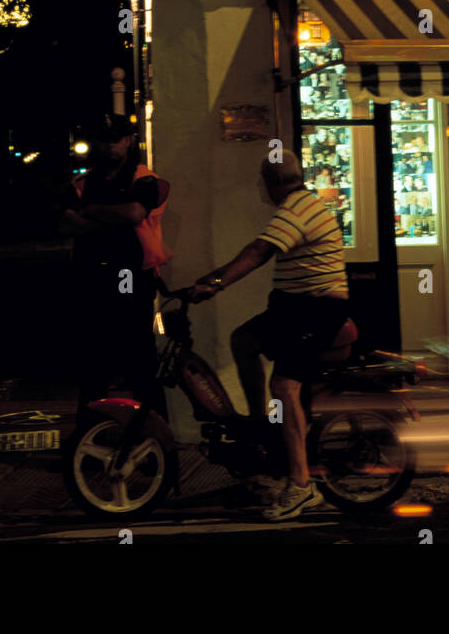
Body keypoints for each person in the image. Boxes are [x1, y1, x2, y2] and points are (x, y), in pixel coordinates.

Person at [191, 151, 350, 522]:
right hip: (292, 309)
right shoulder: (297, 206)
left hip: (317, 310)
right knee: (243, 340)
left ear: (273, 181)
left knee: (284, 385)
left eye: (262, 180)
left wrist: (215, 284)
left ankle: (300, 486)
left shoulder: (297, 209)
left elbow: (259, 251)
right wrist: (206, 280)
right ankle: (263, 426)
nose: (259, 188)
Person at [60, 116, 170, 425]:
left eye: (117, 138)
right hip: (92, 277)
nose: (111, 145)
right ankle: (92, 435)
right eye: (105, 139)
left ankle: (152, 435)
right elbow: (64, 221)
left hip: (130, 275)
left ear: (129, 140)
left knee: (139, 361)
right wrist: (114, 217)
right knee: (93, 364)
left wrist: (92, 213)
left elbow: (135, 212)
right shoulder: (84, 181)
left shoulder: (142, 178)